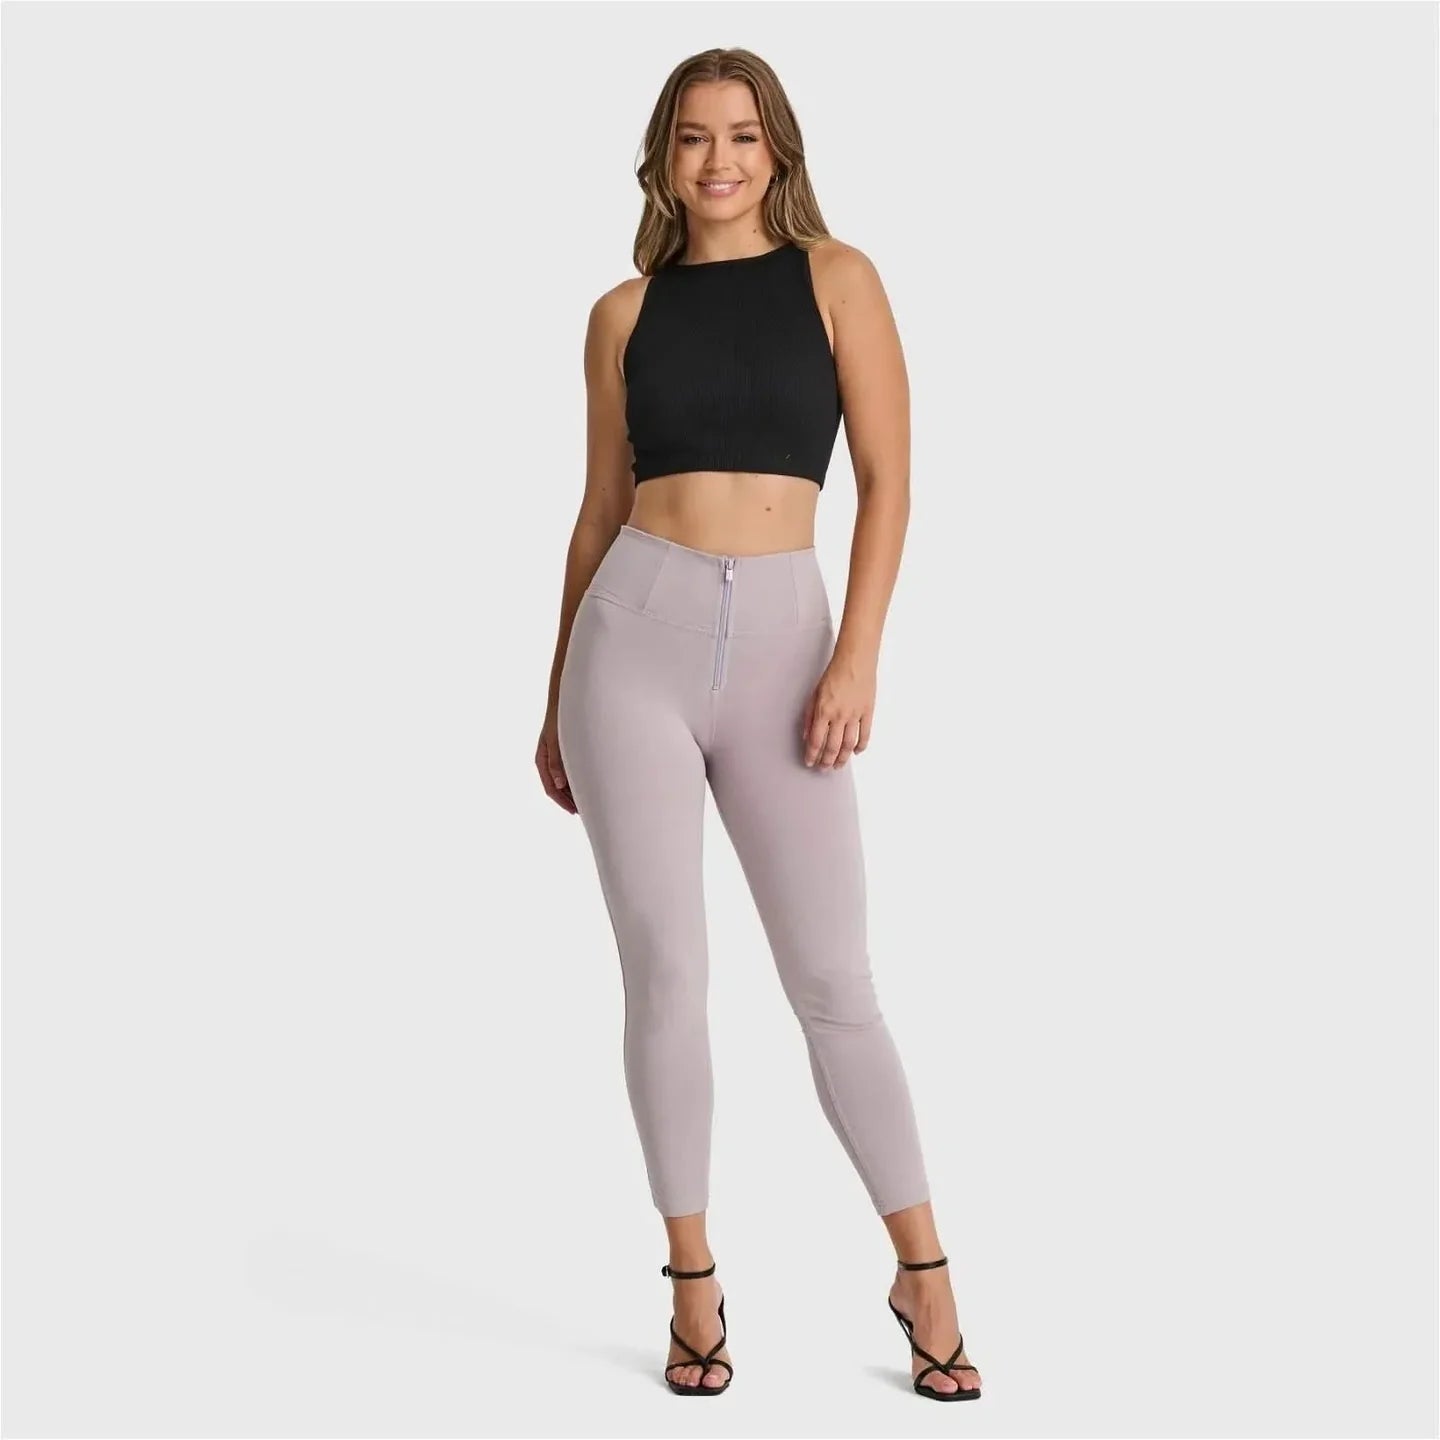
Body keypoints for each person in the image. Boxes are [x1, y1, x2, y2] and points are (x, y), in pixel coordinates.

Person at [534, 47, 983, 1403]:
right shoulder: (622, 314)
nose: (717, 160)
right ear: (663, 160)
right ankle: (691, 1278)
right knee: (666, 972)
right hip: (630, 646)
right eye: (692, 137)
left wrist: (857, 658)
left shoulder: (839, 280)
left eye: (741, 135)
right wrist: (553, 695)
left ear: (777, 150)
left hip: (790, 648)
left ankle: (924, 1269)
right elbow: (597, 511)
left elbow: (891, 483)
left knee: (835, 982)